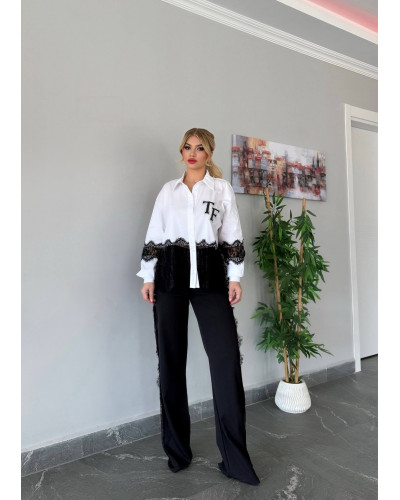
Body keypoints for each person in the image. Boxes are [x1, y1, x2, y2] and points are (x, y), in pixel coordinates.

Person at [137, 128, 260, 486]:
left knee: (226, 361)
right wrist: (148, 277)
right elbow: (155, 235)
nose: (192, 153)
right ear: (182, 152)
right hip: (169, 279)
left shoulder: (221, 190)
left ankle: (235, 460)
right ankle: (178, 452)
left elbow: (231, 235)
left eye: (199, 147)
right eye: (187, 147)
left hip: (210, 280)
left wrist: (235, 277)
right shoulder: (169, 191)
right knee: (171, 362)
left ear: (209, 153)